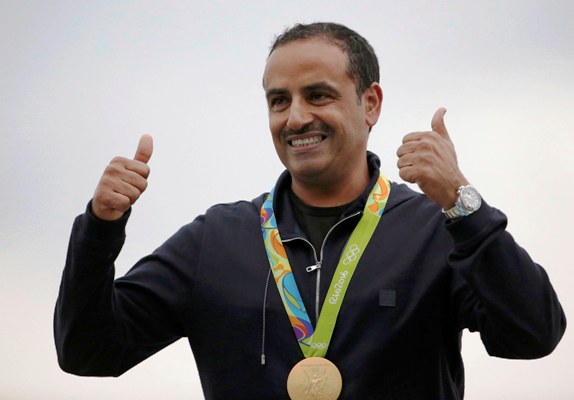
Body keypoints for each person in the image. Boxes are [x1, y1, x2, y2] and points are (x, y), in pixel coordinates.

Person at [54, 22, 566, 399]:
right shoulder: (216, 239)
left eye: (317, 95)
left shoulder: (436, 231)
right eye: (279, 101)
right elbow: (90, 352)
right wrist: (100, 230)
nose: (296, 118)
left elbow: (533, 335)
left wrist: (461, 201)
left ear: (370, 103)